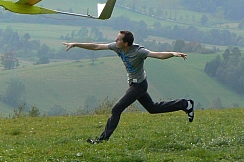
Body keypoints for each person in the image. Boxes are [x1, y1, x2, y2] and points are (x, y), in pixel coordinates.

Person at [63, 30, 194, 144]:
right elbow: (96, 46)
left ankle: (102, 140)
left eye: (118, 39)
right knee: (152, 108)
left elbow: (158, 55)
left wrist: (173, 53)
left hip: (139, 86)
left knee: (117, 108)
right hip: (134, 84)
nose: (115, 40)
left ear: (125, 43)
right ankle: (185, 104)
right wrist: (75, 44)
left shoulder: (139, 51)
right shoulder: (117, 47)